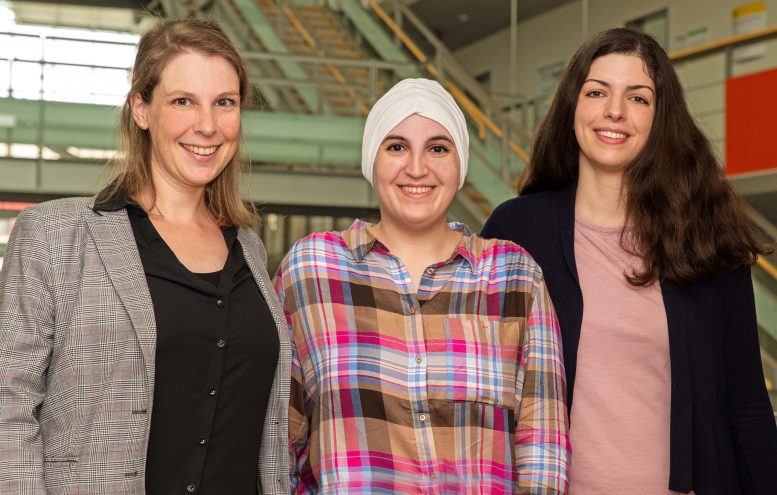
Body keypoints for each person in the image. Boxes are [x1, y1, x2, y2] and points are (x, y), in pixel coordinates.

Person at [0, 18, 290, 494]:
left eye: (225, 102)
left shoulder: (250, 251)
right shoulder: (55, 236)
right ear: (141, 109)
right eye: (183, 101)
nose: (207, 125)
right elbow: (8, 407)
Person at [482, 28, 777, 494]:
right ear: (572, 107)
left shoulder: (706, 240)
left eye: (638, 97)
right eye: (597, 92)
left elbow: (747, 405)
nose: (614, 111)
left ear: (660, 118)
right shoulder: (517, 230)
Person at [275, 78, 569, 494]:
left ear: (460, 164)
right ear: (371, 160)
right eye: (396, 147)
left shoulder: (514, 277)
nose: (417, 168)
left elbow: (543, 449)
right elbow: (279, 441)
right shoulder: (311, 270)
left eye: (438, 148)